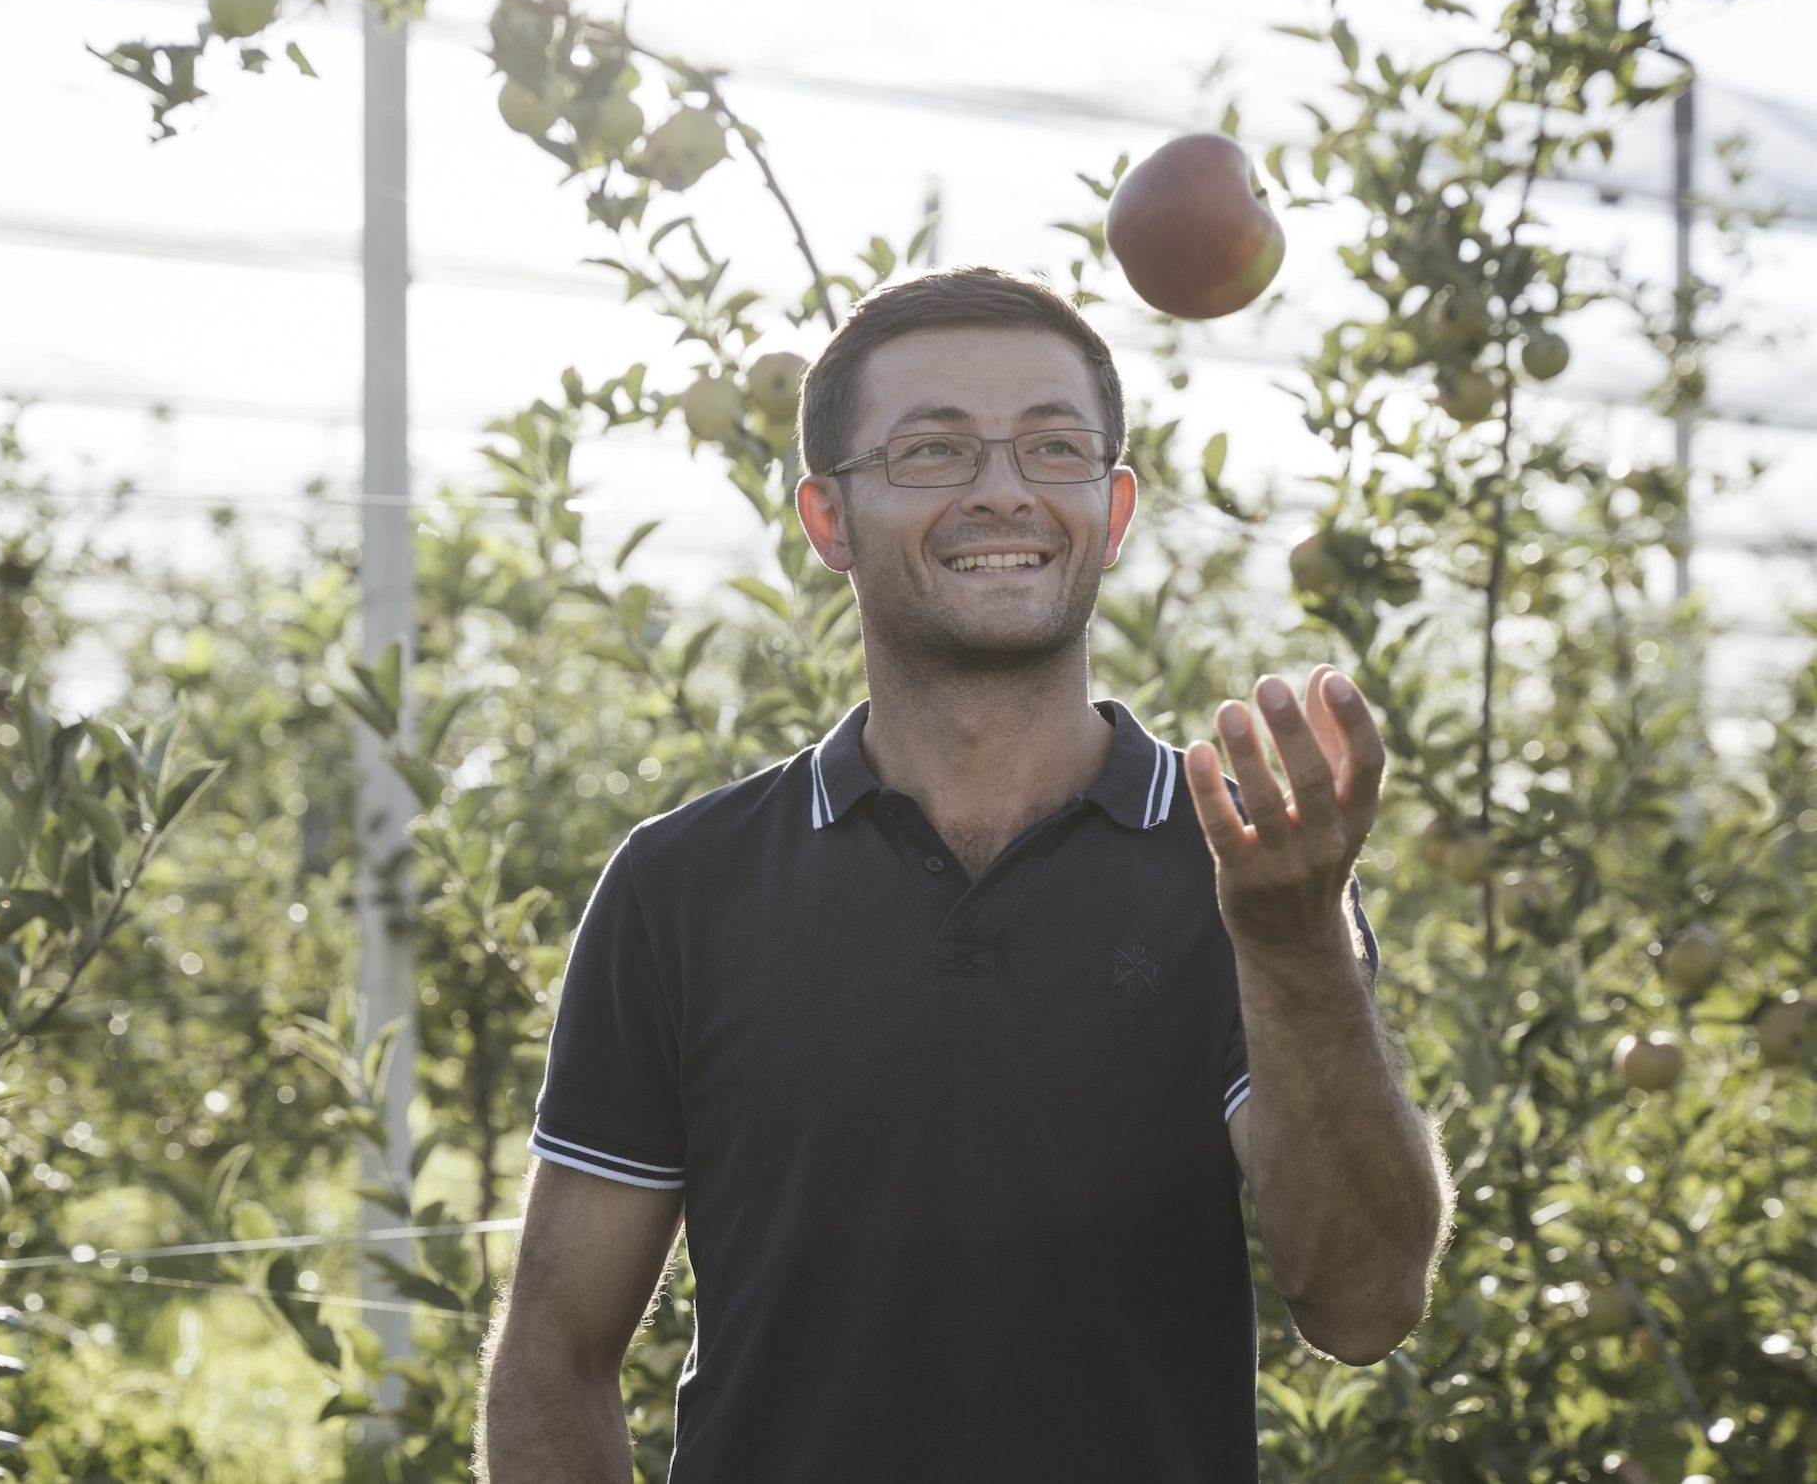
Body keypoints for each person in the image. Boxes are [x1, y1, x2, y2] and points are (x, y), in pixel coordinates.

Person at [475, 265, 1453, 1483]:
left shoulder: (1247, 873)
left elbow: (1362, 1304)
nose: (1003, 491)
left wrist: (1296, 941)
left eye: (1053, 448)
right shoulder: (682, 886)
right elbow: (552, 1356)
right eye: (932, 453)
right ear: (828, 518)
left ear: (1113, 505)